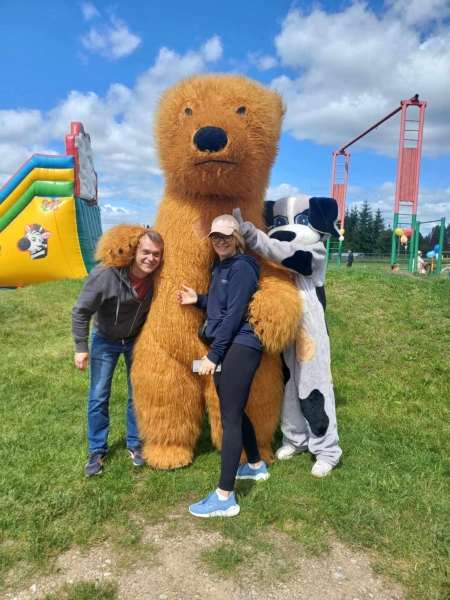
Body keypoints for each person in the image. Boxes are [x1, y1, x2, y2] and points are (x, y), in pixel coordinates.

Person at [233, 199, 342, 478]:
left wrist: (255, 237)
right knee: (290, 385)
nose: (286, 230)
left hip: (309, 332)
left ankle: (327, 450)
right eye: (279, 223)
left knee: (314, 386)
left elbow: (292, 258)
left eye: (301, 221)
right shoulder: (274, 253)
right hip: (285, 330)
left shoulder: (314, 251)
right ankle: (296, 438)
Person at [177, 215, 267, 517]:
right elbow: (222, 305)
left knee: (229, 418)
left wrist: (214, 355)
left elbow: (234, 315)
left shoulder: (241, 267)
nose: (221, 241)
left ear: (237, 238)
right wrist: (199, 299)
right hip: (230, 344)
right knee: (233, 410)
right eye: (216, 236)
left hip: (241, 344)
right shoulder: (221, 266)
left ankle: (225, 497)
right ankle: (255, 465)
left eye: (227, 236)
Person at [72, 226, 164, 476]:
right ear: (134, 252)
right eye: (146, 252)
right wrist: (81, 347)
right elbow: (81, 311)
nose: (150, 258)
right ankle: (97, 450)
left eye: (156, 254)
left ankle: (134, 443)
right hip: (105, 339)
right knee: (99, 395)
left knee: (137, 393)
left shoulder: (157, 278)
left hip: (135, 340)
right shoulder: (105, 275)